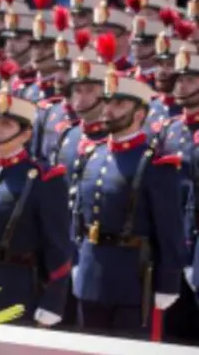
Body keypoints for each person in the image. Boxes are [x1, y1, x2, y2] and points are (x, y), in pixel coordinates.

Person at [71, 69, 184, 337]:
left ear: (140, 114)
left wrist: (169, 281)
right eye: (107, 102)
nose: (109, 110)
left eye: (119, 104)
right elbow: (78, 216)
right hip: (90, 273)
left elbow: (169, 229)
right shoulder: (93, 155)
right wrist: (77, 259)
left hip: (132, 279)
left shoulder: (156, 163)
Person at [0, 91, 71, 324]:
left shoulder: (43, 178)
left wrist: (53, 300)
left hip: (15, 284)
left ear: (26, 134)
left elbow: (57, 244)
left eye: (6, 124)